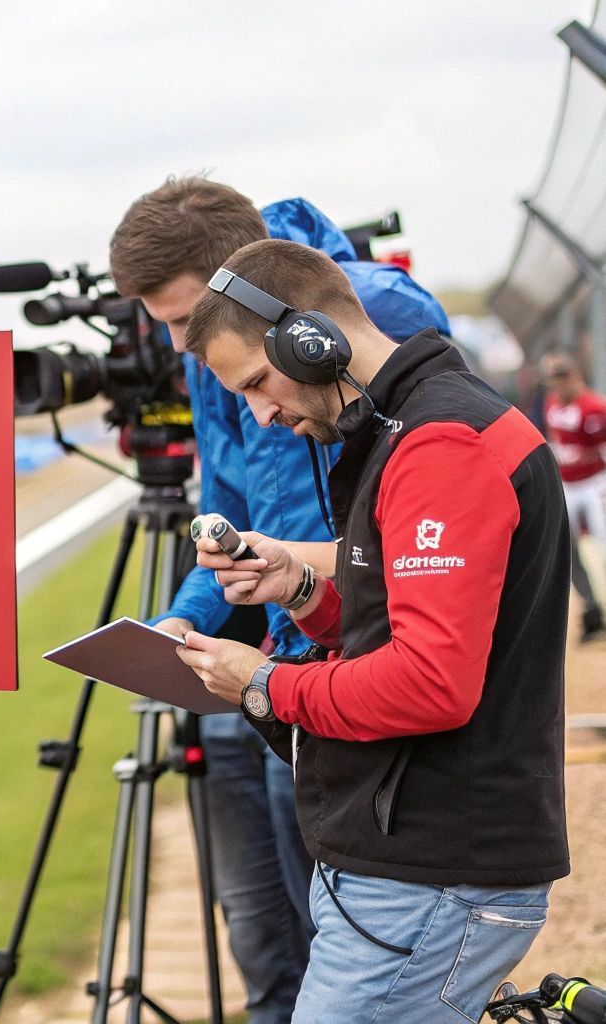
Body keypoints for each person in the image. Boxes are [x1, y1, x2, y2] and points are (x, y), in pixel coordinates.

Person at [176, 238, 568, 1023]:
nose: (262, 415)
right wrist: (304, 593)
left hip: (432, 872)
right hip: (408, 866)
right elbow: (409, 630)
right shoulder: (402, 429)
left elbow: (430, 684)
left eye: (257, 383)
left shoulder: (439, 444)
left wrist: (262, 683)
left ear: (311, 340)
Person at [108, 177, 449, 1024]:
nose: (182, 346)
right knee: (278, 944)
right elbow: (224, 515)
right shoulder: (218, 357)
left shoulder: (376, 318)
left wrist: (303, 576)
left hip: (359, 677)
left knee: (357, 962)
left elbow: (429, 537)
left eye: (188, 321)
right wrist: (182, 616)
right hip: (282, 664)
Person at [541, 351, 606, 641]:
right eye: (554, 378)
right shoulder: (552, 403)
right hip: (568, 484)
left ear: (576, 376)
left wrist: (582, 455)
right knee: (567, 548)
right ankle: (592, 610)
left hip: (596, 482)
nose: (559, 384)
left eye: (564, 377)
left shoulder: (594, 407)